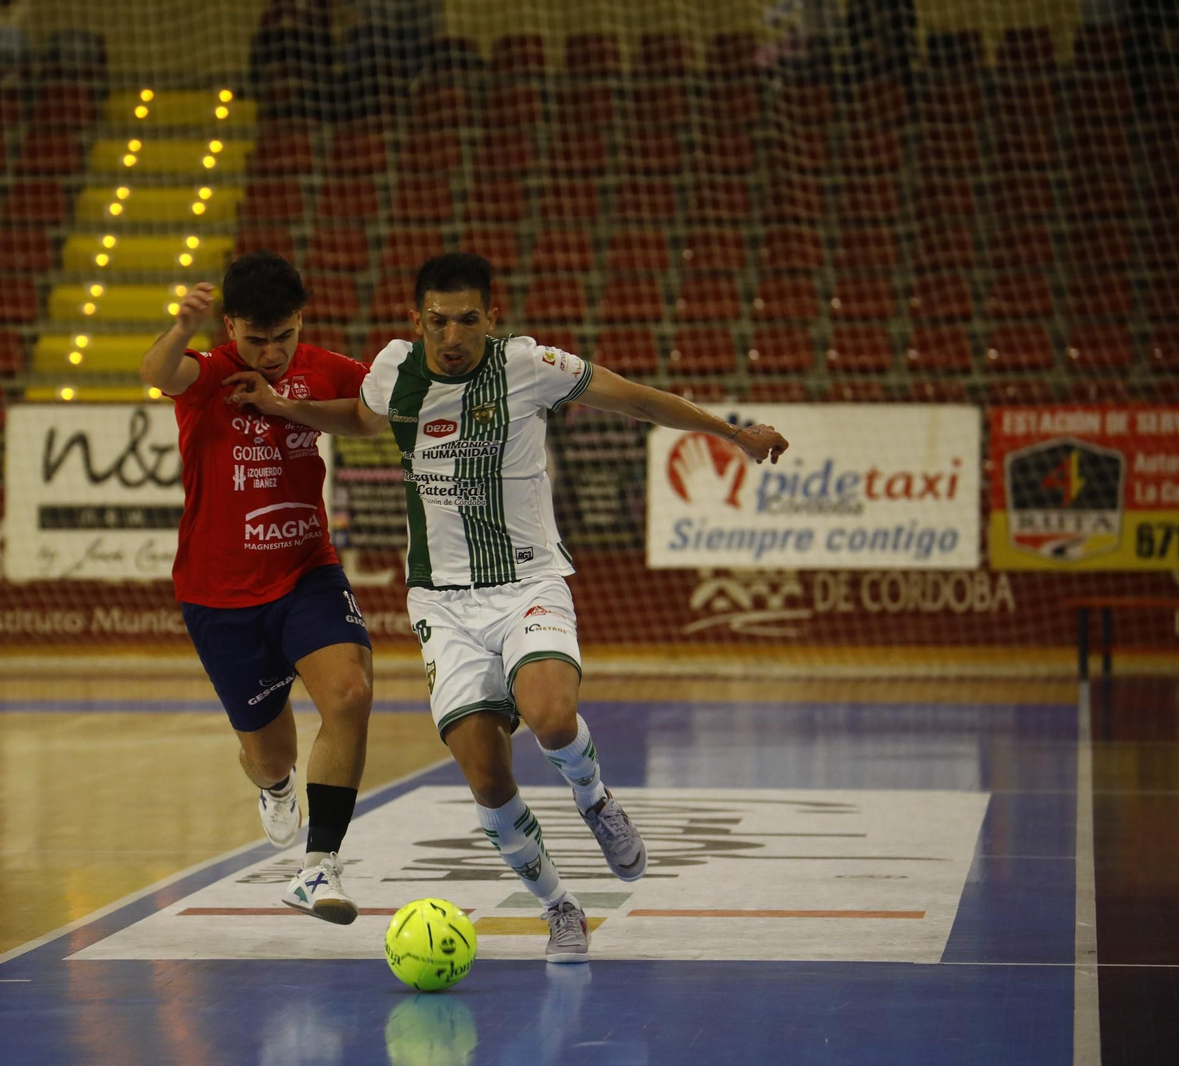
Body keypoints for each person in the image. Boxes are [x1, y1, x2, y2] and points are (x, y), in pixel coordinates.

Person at [225, 253, 789, 962]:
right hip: (443, 604)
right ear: (416, 320)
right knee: (488, 777)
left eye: (468, 320)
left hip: (527, 583)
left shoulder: (530, 366)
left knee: (551, 716)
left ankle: (594, 799)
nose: (452, 336)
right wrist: (285, 407)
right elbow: (364, 421)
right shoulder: (394, 369)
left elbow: (636, 399)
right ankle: (560, 907)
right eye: (438, 321)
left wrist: (731, 431)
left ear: (492, 318)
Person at [139, 250, 377, 925]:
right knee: (271, 757)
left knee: (351, 692)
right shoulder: (211, 373)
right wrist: (181, 328)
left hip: (306, 571)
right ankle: (275, 786)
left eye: (284, 336)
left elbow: (377, 414)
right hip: (219, 595)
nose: (271, 353)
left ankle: (319, 866)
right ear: (231, 327)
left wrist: (289, 406)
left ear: (301, 320)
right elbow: (157, 373)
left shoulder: (324, 369)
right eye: (256, 339)